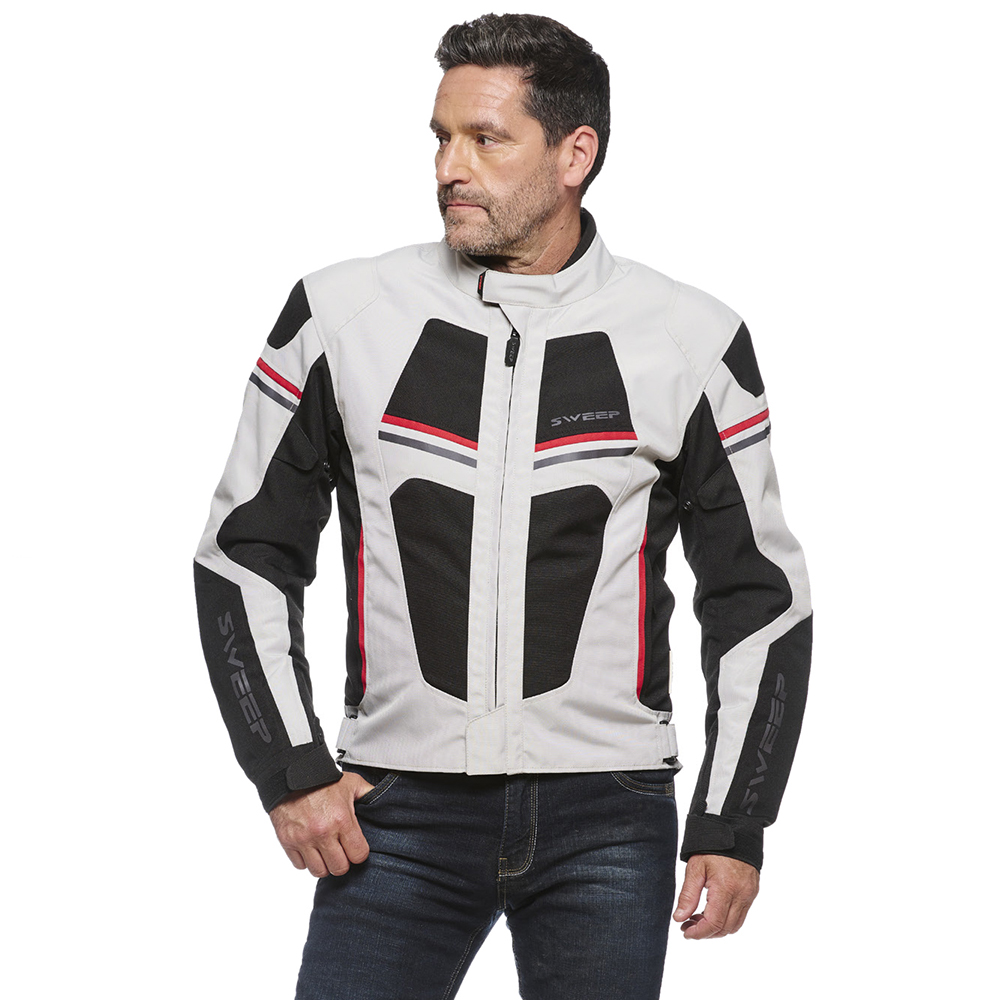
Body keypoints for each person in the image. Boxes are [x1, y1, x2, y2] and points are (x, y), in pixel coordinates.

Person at [193, 13, 812, 1000]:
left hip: (609, 815)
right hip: (391, 811)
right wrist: (290, 766)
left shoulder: (690, 338)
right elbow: (243, 553)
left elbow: (759, 596)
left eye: (486, 139)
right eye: (441, 137)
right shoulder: (340, 316)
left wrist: (734, 823)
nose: (451, 167)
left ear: (575, 155)